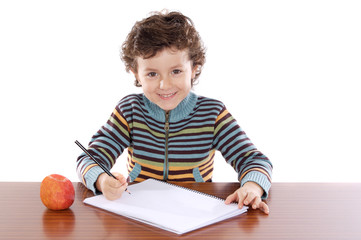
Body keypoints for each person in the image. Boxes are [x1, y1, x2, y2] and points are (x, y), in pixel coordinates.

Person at [77, 10, 273, 214]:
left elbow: (254, 160)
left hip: (196, 214)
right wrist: (101, 180)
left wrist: (252, 186)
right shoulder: (129, 111)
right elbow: (89, 158)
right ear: (136, 73)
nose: (165, 84)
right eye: (152, 74)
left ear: (194, 68)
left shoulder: (213, 114)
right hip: (142, 214)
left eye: (176, 71)